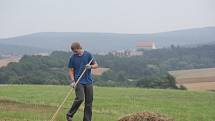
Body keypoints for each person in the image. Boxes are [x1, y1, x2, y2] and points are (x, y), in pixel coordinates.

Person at [67, 42, 98, 121]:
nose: (75, 53)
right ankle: (69, 115)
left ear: (79, 48)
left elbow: (96, 65)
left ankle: (87, 120)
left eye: (76, 51)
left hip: (88, 82)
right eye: (74, 52)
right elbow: (71, 71)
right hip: (78, 81)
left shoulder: (88, 55)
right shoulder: (72, 58)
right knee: (80, 98)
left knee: (89, 102)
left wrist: (90, 66)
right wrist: (73, 81)